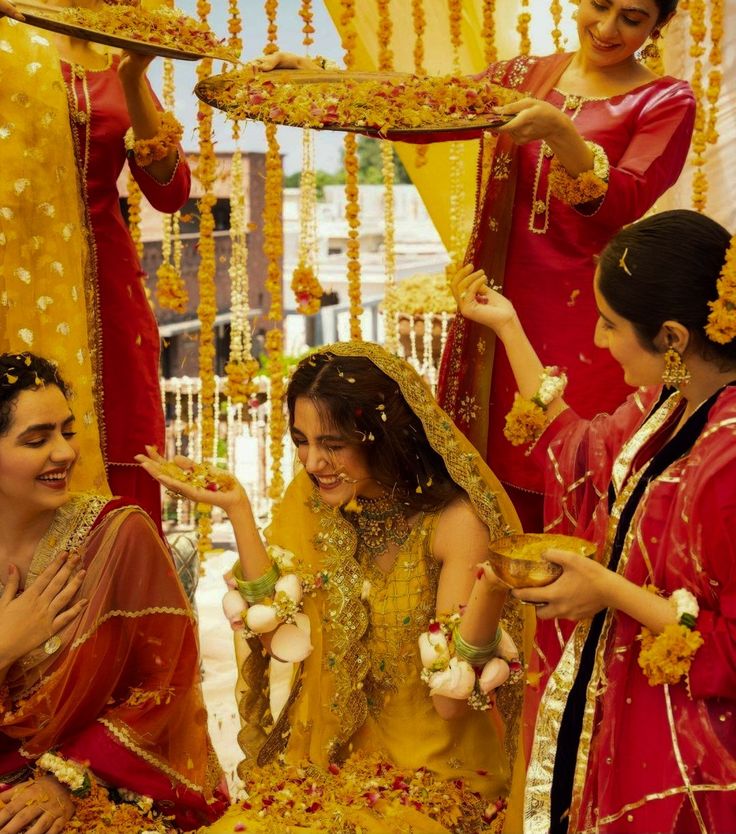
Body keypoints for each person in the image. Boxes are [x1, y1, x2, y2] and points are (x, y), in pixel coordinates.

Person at [250, 0, 695, 533]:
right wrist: (318, 79)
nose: (606, 28)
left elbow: (626, 199)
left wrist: (561, 133)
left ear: (658, 25)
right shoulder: (524, 76)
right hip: (494, 318)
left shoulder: (665, 99)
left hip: (587, 330)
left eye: (632, 17)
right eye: (599, 5)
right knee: (482, 495)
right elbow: (423, 109)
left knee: (571, 484)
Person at [137, 341, 533, 834]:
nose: (311, 462)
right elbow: (274, 637)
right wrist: (237, 509)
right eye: (302, 441)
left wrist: (492, 591)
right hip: (333, 775)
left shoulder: (454, 525)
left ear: (383, 437)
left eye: (333, 445)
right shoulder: (319, 506)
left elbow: (451, 701)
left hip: (439, 785)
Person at [453, 209, 736, 833]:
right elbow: (578, 450)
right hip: (617, 708)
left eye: (610, 325)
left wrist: (605, 589)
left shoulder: (728, 459)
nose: (599, 341)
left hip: (691, 758)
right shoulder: (669, 401)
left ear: (671, 337)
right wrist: (509, 330)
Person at [0, 352, 228, 833]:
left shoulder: (119, 534)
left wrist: (67, 779)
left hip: (104, 787)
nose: (63, 453)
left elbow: (168, 686)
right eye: (37, 439)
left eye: (66, 431)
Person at [0, 0, 191, 529]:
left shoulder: (112, 46)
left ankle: (119, 595)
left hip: (107, 288)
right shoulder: (9, 28)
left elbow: (170, 191)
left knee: (121, 436)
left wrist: (133, 75)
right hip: (13, 279)